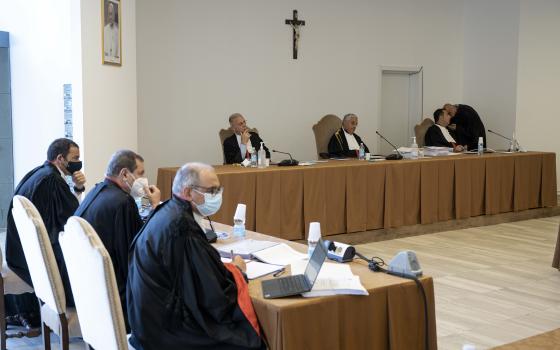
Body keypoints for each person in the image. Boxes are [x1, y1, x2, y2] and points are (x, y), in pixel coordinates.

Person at [127, 162, 265, 350]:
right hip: (165, 331)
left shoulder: (168, 211)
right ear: (188, 192)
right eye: (212, 190)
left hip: (148, 321)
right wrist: (238, 272)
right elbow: (213, 296)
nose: (217, 195)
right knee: (249, 340)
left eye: (218, 189)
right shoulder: (182, 228)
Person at [75, 150, 160, 330]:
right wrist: (154, 207)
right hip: (114, 291)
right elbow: (135, 254)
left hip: (87, 281)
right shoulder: (122, 203)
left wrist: (145, 203)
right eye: (141, 173)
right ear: (124, 174)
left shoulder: (98, 190)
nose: (144, 179)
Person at [5, 138, 86, 327]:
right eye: (75, 158)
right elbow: (72, 220)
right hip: (28, 257)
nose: (78, 162)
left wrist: (76, 187)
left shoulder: (39, 172)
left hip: (17, 249)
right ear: (60, 158)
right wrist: (79, 188)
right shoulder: (52, 181)